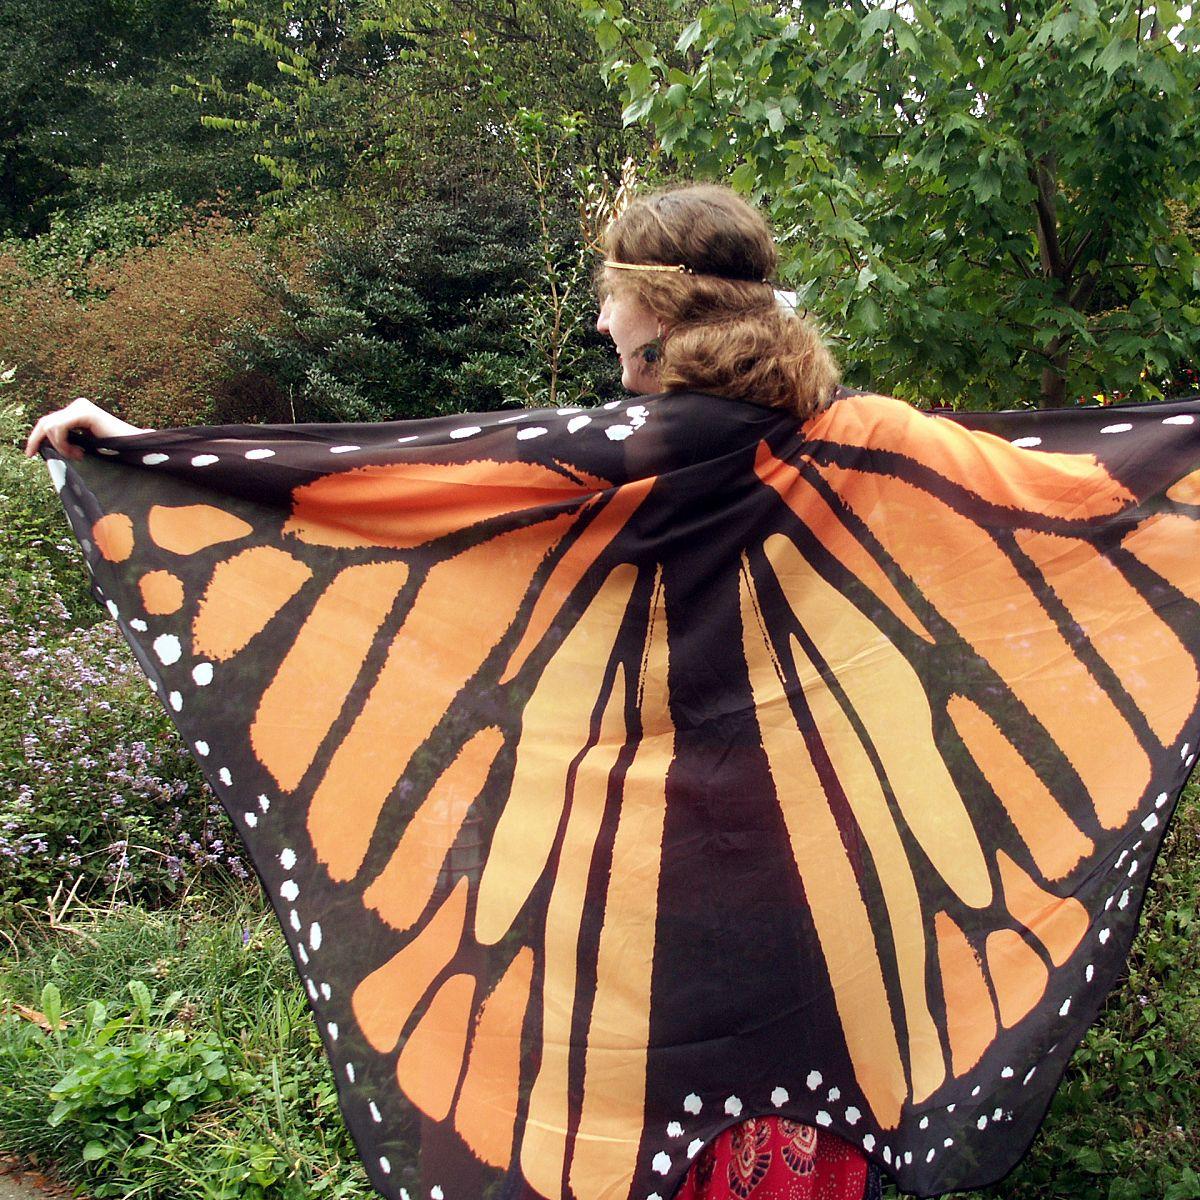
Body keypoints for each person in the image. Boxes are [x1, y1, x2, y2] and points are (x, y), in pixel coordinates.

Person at [27, 184, 877, 1200]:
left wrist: (142, 453)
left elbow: (387, 481)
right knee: (780, 1106)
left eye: (611, 298)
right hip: (812, 870)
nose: (601, 320)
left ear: (656, 309)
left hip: (652, 875)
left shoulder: (635, 455)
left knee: (623, 1128)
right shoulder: (847, 447)